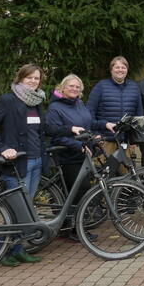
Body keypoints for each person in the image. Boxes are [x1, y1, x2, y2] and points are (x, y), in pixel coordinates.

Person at [0, 64, 48, 266]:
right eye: (29, 78)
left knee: (25, 209)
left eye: (36, 79)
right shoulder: (8, 100)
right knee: (16, 209)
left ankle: (18, 249)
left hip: (36, 161)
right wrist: (2, 148)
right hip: (17, 163)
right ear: (20, 79)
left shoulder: (36, 102)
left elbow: (41, 132)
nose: (33, 81)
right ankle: (4, 251)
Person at [47, 74, 97, 236]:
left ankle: (71, 226)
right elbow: (55, 134)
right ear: (63, 87)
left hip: (82, 154)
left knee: (79, 192)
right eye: (71, 86)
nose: (74, 89)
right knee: (78, 192)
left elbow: (86, 124)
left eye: (77, 87)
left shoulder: (79, 104)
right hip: (67, 155)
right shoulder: (55, 108)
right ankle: (75, 229)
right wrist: (77, 145)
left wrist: (93, 135)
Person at [86, 56, 142, 155]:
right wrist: (95, 134)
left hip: (126, 141)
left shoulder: (134, 87)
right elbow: (89, 112)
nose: (120, 70)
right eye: (117, 67)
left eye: (123, 67)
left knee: (127, 171)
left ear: (127, 70)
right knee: (104, 170)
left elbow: (139, 114)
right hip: (105, 140)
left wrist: (135, 138)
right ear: (111, 69)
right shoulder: (101, 86)